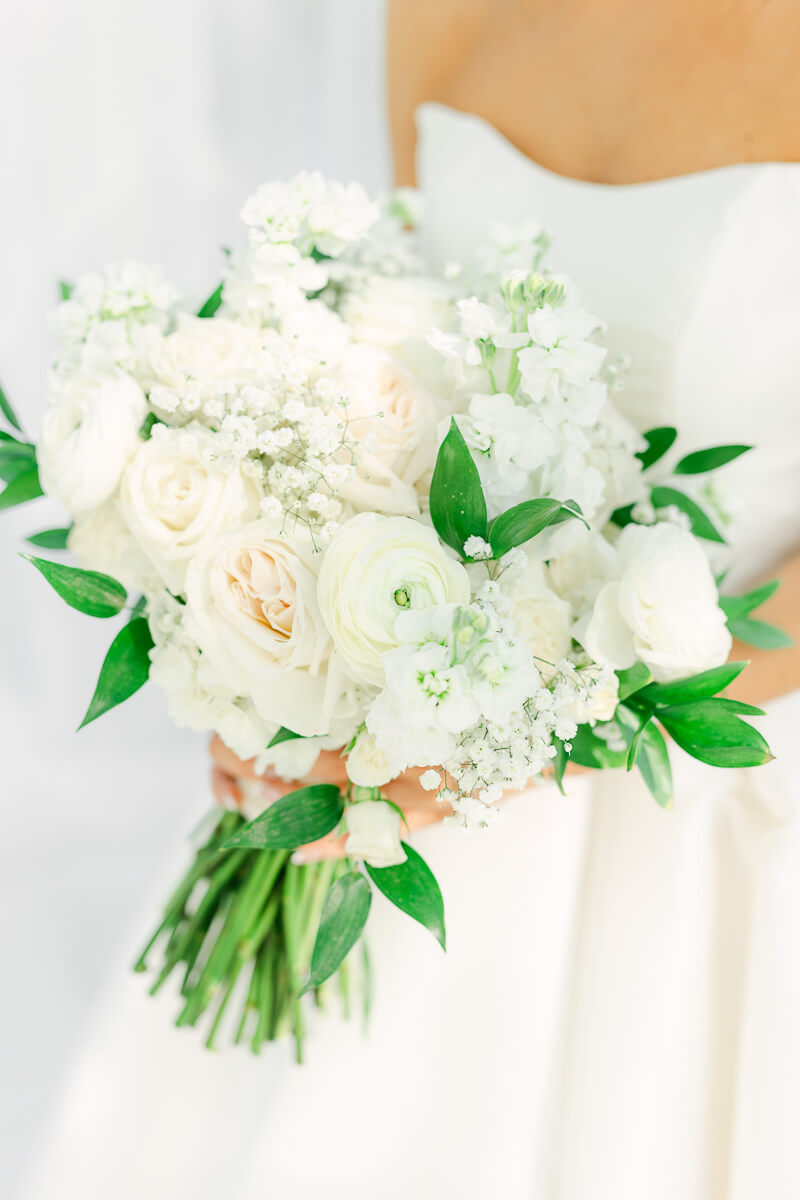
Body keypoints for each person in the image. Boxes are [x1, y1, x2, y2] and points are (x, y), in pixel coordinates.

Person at [21, 2, 800, 1197]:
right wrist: (279, 656)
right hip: (387, 768)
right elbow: (404, 351)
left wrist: (512, 747)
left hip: (710, 805)